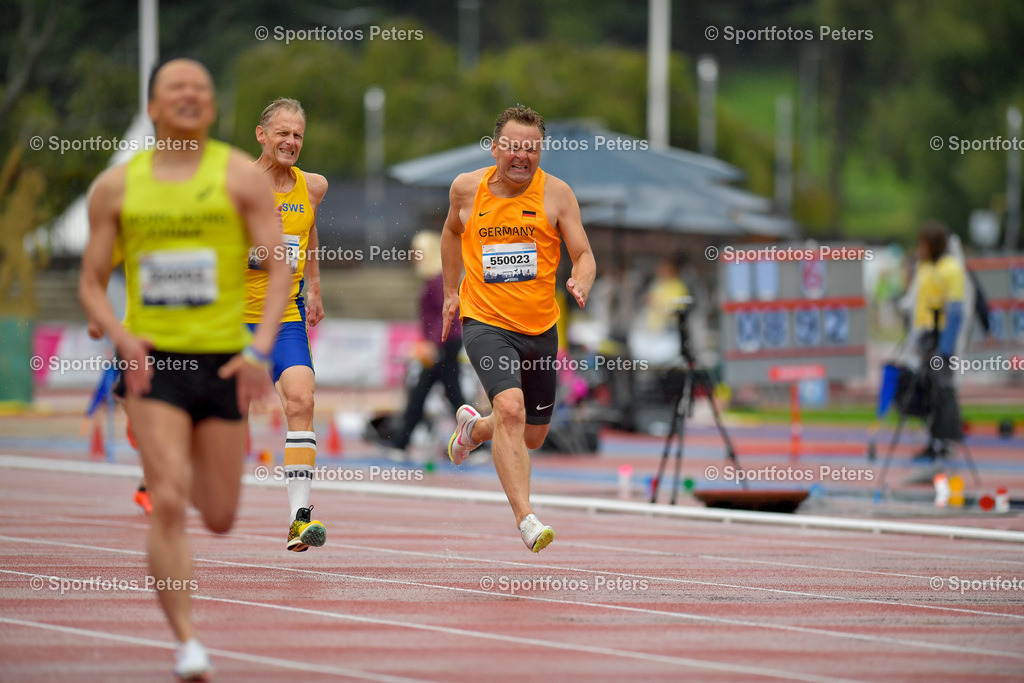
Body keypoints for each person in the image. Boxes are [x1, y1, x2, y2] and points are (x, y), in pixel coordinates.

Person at [79, 58, 290, 681]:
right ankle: (188, 642)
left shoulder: (239, 178)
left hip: (225, 360)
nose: (191, 95)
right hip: (154, 363)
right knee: (168, 499)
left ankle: (190, 455)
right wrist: (120, 334)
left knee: (220, 515)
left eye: (201, 87)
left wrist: (258, 350)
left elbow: (279, 268)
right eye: (177, 88)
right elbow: (91, 283)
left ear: (214, 106)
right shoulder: (116, 188)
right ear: (153, 106)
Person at [441, 105, 596, 553]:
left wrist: (579, 279)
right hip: (486, 321)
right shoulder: (466, 190)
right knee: (511, 408)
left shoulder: (558, 194)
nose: (522, 156)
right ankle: (526, 518)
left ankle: (472, 431)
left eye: (532, 148)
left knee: (532, 433)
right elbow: (451, 233)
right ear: (495, 148)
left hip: (541, 328)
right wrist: (452, 292)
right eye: (513, 147)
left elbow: (584, 254)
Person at [246, 97, 329, 551]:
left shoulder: (312, 186)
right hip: (229, 319)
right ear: (262, 135)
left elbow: (309, 230)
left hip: (284, 317)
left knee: (302, 399)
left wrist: (314, 286)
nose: (291, 142)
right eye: (282, 133)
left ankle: (299, 518)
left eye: (297, 134)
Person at [385, 230, 466, 458]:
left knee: (436, 394)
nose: (413, 257)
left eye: (417, 252)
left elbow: (444, 314)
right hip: (441, 343)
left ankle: (401, 443)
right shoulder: (432, 279)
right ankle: (401, 442)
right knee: (441, 394)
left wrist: (433, 344)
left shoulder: (438, 280)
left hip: (443, 344)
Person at [908, 221, 966, 462]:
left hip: (940, 335)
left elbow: (955, 311)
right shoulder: (925, 266)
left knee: (942, 390)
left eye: (924, 243)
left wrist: (945, 348)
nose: (920, 248)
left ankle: (945, 441)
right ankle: (931, 440)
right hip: (924, 334)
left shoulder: (950, 269)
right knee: (927, 391)